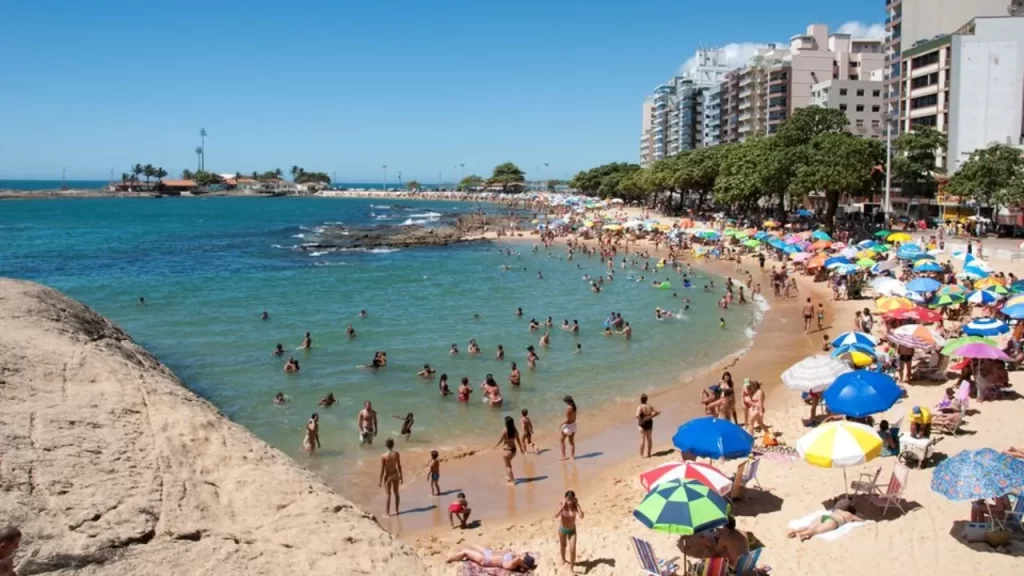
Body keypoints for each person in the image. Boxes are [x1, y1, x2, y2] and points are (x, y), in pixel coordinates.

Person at [787, 498, 863, 542]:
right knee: (815, 531)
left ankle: (795, 531)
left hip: (824, 516)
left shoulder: (837, 510)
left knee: (809, 527)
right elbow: (861, 520)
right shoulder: (850, 515)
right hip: (833, 521)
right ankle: (801, 534)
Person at [445, 546, 536, 572]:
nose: (522, 556)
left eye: (524, 557)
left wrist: (525, 566)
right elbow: (520, 556)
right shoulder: (515, 560)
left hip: (485, 559)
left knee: (465, 552)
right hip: (489, 553)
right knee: (472, 545)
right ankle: (458, 552)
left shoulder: (512, 564)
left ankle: (449, 559)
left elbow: (519, 560)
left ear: (523, 562)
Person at [555, 491, 584, 570]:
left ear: (574, 499)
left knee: (572, 549)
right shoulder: (562, 505)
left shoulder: (575, 506)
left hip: (572, 530)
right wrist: (562, 506)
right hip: (562, 529)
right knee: (563, 546)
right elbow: (555, 515)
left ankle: (571, 568)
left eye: (571, 500)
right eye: (568, 500)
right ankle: (563, 559)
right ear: (565, 499)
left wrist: (578, 505)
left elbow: (581, 516)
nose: (570, 502)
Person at [495, 416, 527, 484]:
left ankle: (512, 481)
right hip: (514, 451)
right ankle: (510, 477)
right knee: (508, 465)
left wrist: (495, 446)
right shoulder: (515, 431)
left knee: (508, 466)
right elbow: (518, 440)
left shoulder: (504, 430)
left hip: (507, 451)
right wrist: (521, 449)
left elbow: (500, 440)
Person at [379, 438, 404, 516]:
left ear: (386, 445)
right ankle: (397, 511)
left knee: (388, 494)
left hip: (388, 475)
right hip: (395, 474)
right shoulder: (396, 454)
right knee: (396, 492)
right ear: (393, 445)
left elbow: (382, 469)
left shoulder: (383, 456)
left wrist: (380, 480)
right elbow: (399, 466)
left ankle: (387, 513)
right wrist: (401, 476)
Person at [636, 393, 660, 458]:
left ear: (641, 399)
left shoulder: (640, 407)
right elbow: (657, 412)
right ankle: (649, 454)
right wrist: (651, 416)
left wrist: (641, 420)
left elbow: (637, 415)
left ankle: (641, 455)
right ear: (646, 399)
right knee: (649, 439)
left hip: (642, 424)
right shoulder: (650, 406)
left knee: (642, 439)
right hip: (649, 423)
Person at [560, 395, 577, 461]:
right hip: (574, 425)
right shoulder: (574, 407)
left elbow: (568, 419)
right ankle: (572, 457)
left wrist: (561, 424)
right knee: (571, 442)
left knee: (561, 440)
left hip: (568, 426)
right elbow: (572, 418)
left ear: (567, 401)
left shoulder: (569, 408)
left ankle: (564, 456)